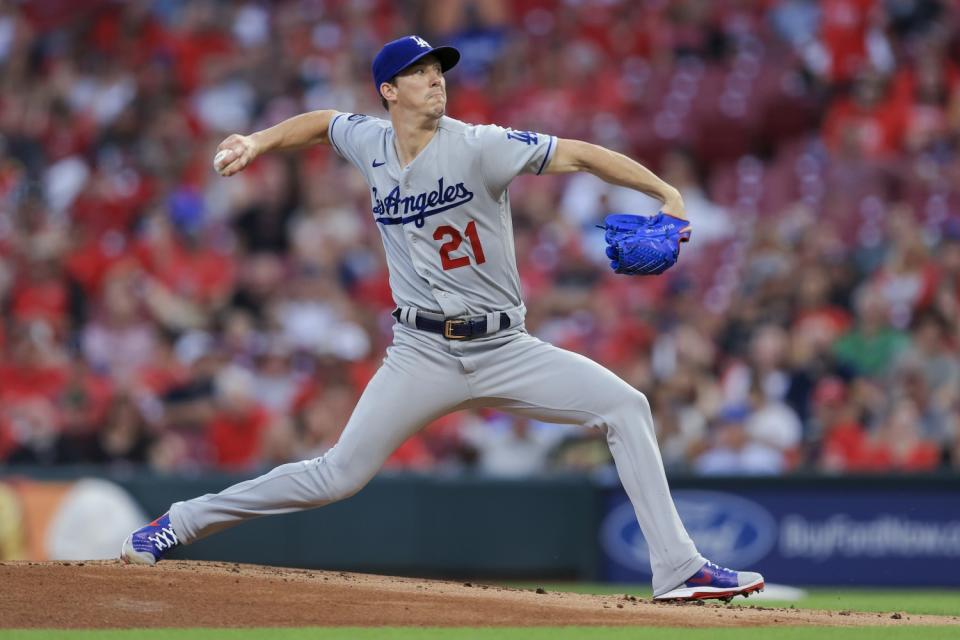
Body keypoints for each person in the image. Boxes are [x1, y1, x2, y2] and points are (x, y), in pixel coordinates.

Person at [121, 35, 764, 602]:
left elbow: (578, 154)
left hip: (505, 346)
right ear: (388, 91)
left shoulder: (481, 146)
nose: (437, 80)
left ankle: (677, 567)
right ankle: (180, 520)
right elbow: (321, 122)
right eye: (422, 71)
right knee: (337, 475)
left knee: (627, 406)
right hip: (420, 352)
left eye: (440, 70)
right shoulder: (368, 140)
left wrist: (665, 193)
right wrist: (258, 140)